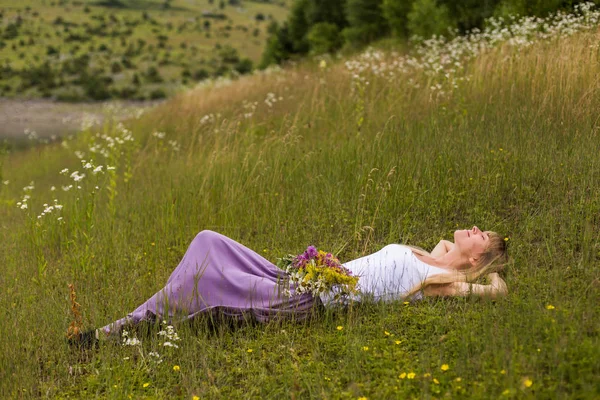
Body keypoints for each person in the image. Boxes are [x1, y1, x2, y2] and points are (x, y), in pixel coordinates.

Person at [72, 227, 507, 348]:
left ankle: (116, 332)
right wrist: (456, 252)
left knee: (203, 278)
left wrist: (485, 282)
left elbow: (469, 288)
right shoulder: (431, 256)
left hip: (307, 299)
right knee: (208, 241)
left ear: (473, 260)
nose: (473, 229)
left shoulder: (438, 279)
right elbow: (445, 248)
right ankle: (148, 322)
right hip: (301, 278)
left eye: (480, 236)